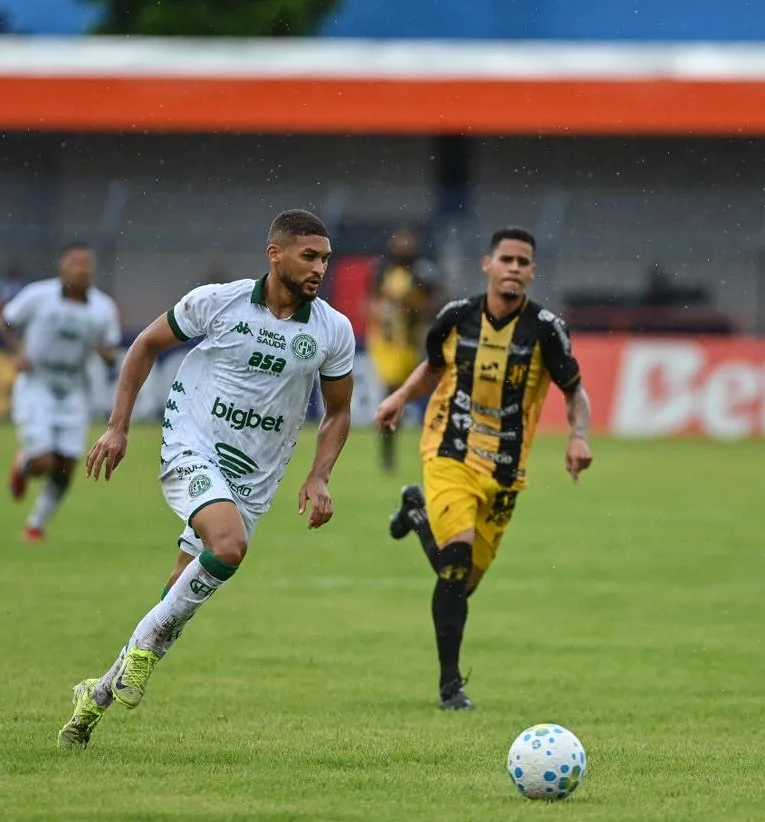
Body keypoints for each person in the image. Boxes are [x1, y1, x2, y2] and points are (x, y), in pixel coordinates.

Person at [58, 210, 355, 749]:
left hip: (257, 474)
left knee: (181, 591)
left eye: (325, 259)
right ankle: (142, 647)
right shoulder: (218, 302)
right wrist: (118, 428)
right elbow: (145, 345)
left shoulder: (333, 330)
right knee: (229, 545)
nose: (319, 268)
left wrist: (319, 475)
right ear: (275, 254)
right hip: (191, 444)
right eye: (309, 256)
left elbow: (337, 411)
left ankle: (96, 695)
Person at [373, 227, 593, 710]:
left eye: (523, 262)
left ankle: (416, 514)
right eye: (506, 259)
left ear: (533, 271)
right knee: (454, 563)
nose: (514, 268)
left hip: (505, 471)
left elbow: (573, 389)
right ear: (487, 264)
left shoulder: (546, 329)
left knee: (461, 583)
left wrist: (578, 436)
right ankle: (451, 687)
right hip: (449, 450)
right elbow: (432, 365)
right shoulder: (456, 317)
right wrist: (399, 397)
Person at [0, 242, 122, 542]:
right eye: (73, 263)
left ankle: (35, 526)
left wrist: (103, 353)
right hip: (37, 383)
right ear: (61, 267)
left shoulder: (103, 307)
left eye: (85, 264)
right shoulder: (38, 296)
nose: (80, 269)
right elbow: (4, 322)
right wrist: (18, 352)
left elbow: (111, 349)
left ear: (92, 270)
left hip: (73, 387)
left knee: (65, 466)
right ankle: (24, 464)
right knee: (43, 462)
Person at [365, 227, 443, 471]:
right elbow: (372, 300)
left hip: (413, 343)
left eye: (407, 241)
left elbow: (434, 303)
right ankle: (388, 452)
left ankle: (433, 444)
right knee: (392, 392)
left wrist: (410, 304)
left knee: (423, 392)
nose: (403, 246)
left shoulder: (423, 271)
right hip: (387, 344)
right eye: (399, 241)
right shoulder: (382, 269)